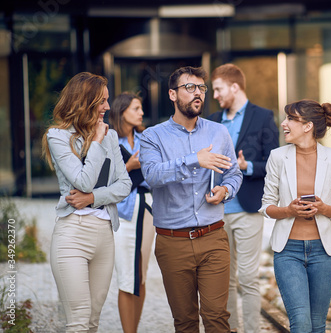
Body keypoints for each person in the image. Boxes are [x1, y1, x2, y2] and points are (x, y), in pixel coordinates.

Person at [140, 66, 243, 333]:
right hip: (172, 242)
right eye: (190, 88)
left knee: (217, 318)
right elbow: (151, 175)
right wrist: (193, 159)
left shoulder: (218, 132)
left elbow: (233, 173)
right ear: (172, 94)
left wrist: (226, 191)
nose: (197, 93)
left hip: (214, 238)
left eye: (201, 88)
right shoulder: (153, 136)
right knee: (185, 322)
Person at [41, 72, 132, 332]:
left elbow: (124, 185)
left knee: (92, 321)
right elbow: (82, 181)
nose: (106, 107)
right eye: (102, 101)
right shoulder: (57, 136)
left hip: (104, 236)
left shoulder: (111, 136)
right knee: (79, 320)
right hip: (73, 235)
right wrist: (97, 141)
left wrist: (93, 198)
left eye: (107, 101)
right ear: (84, 101)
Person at [259, 99, 331, 333]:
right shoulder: (278, 157)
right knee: (301, 323)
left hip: (324, 252)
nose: (284, 123)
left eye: (291, 118)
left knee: (318, 325)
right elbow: (267, 206)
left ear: (308, 126)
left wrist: (323, 208)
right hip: (288, 252)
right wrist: (289, 211)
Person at [208, 63, 279, 333]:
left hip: (248, 208)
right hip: (216, 210)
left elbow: (274, 161)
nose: (215, 95)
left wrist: (247, 166)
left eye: (218, 89)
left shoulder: (262, 117)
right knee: (224, 280)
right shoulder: (212, 121)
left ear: (234, 87)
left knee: (248, 278)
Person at [109, 92, 154, 333]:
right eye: (136, 108)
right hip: (124, 214)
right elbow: (102, 182)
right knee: (127, 275)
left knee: (141, 274)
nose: (141, 112)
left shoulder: (146, 139)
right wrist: (129, 167)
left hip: (147, 211)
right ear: (122, 111)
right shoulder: (108, 141)